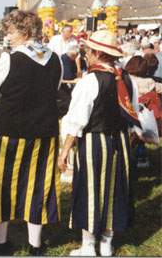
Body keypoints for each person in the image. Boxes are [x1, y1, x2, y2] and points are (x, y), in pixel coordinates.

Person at [0, 9, 62, 255]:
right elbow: (54, 91)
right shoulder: (55, 58)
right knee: (39, 184)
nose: (7, 36)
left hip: (11, 133)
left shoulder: (9, 59)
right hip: (45, 133)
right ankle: (35, 244)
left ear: (24, 31)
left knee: (3, 184)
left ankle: (0, 242)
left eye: (10, 31)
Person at [58, 30, 140, 256]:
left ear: (95, 53)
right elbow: (132, 113)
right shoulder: (126, 79)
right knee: (115, 188)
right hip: (120, 140)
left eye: (88, 51)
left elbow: (76, 120)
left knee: (90, 190)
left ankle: (88, 245)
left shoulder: (90, 81)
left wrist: (64, 151)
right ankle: (107, 243)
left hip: (95, 140)